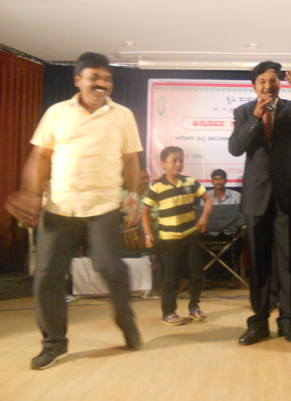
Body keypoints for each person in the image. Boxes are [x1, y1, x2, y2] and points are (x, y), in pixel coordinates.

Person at [5, 52, 143, 370]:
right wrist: (29, 192)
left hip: (103, 207)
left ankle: (126, 321)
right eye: (95, 77)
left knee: (110, 267)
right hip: (59, 208)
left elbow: (131, 159)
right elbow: (40, 156)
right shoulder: (56, 113)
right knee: (47, 276)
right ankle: (54, 343)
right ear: (78, 80)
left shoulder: (123, 116)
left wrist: (134, 194)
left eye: (107, 78)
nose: (102, 83)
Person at [229, 61, 291, 345]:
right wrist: (256, 117)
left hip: (287, 197)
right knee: (258, 264)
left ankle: (288, 322)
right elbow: (235, 148)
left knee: (288, 263)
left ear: (280, 83)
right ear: (254, 86)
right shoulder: (244, 111)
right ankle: (258, 323)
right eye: (262, 82)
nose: (268, 86)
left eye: (273, 81)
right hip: (256, 198)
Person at [142, 146, 213, 325]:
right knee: (171, 277)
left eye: (181, 160)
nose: (178, 164)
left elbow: (208, 199)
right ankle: (168, 311)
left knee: (196, 273)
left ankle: (194, 306)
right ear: (163, 164)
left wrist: (204, 218)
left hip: (190, 235)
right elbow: (145, 211)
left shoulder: (190, 182)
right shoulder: (156, 187)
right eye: (174, 160)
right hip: (169, 239)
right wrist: (148, 235)